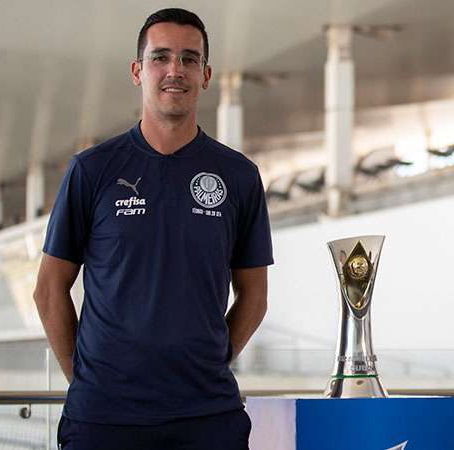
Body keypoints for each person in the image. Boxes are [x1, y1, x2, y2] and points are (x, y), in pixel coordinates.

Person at [33, 8, 273, 449]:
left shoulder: (238, 176)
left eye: (189, 59)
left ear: (205, 74)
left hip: (207, 416)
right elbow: (49, 290)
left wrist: (211, 364)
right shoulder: (93, 170)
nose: (174, 70)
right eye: (160, 57)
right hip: (104, 419)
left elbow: (254, 297)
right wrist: (87, 381)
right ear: (137, 70)